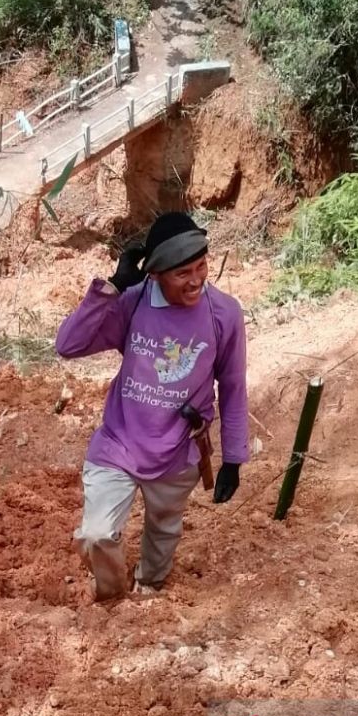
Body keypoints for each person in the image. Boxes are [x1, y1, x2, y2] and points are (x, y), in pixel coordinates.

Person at [55, 212, 249, 601]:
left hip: (178, 452)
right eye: (182, 273)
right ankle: (111, 599)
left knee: (163, 533)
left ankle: (148, 589)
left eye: (201, 267)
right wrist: (110, 289)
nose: (195, 280)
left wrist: (233, 458)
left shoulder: (223, 314)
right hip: (120, 443)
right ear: (157, 274)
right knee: (95, 535)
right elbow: (68, 345)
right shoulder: (134, 302)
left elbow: (232, 386)